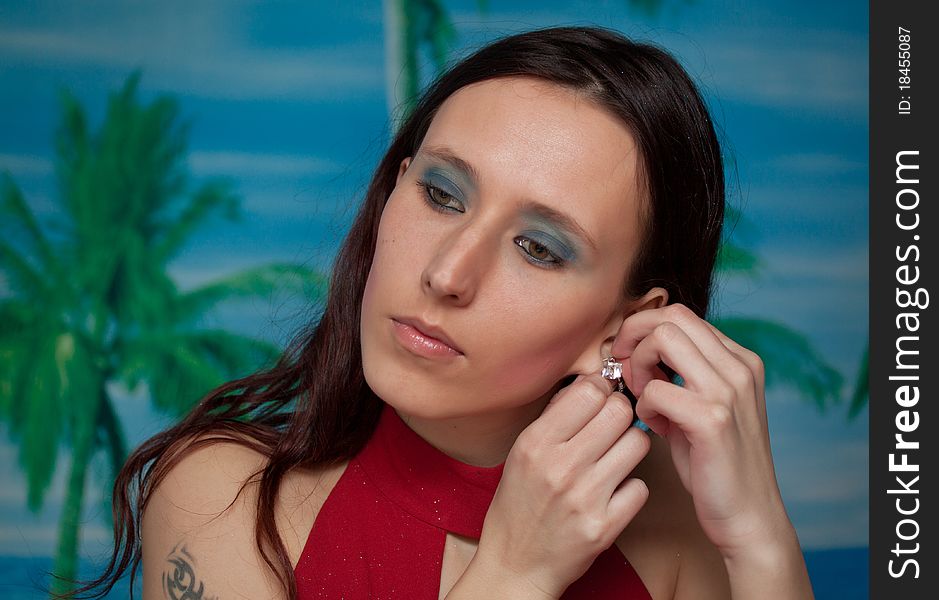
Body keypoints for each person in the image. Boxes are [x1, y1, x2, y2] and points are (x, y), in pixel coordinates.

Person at [71, 26, 814, 599]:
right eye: (441, 195)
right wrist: (513, 573)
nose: (446, 273)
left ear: (624, 323)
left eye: (538, 248)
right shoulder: (224, 495)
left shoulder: (674, 520)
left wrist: (759, 540)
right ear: (392, 189)